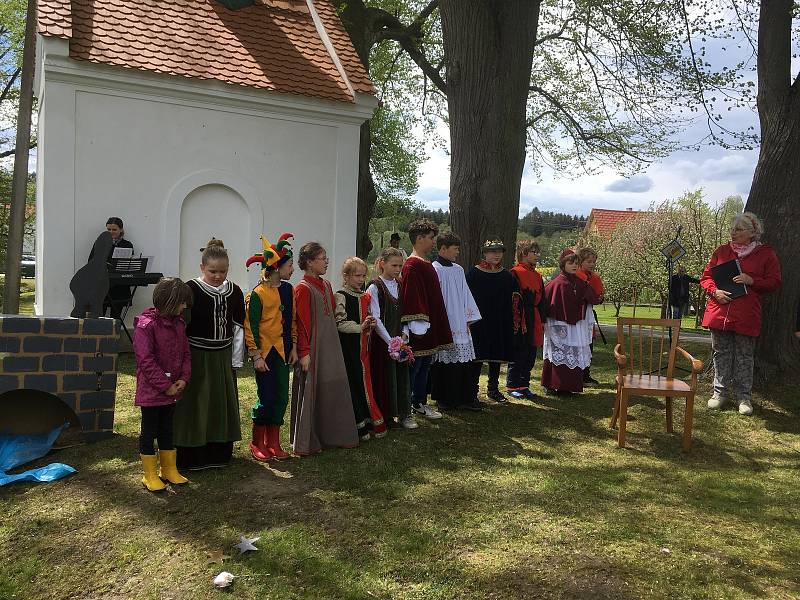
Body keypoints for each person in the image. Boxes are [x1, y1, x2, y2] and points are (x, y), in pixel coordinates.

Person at [174, 239, 246, 470]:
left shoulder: (234, 291)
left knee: (219, 404)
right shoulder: (191, 289)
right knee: (195, 404)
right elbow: (180, 327)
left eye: (223, 271)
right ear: (202, 267)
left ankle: (218, 453)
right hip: (196, 356)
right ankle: (191, 454)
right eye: (213, 271)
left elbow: (237, 327)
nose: (218, 276)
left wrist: (235, 360)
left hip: (222, 357)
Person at [701, 212, 781, 416]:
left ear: (752, 232)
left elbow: (774, 282)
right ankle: (719, 394)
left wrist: (751, 280)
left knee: (745, 356)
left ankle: (744, 398)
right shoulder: (721, 251)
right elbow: (706, 277)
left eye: (738, 230)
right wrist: (714, 291)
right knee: (721, 354)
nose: (733, 233)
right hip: (719, 312)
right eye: (732, 229)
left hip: (746, 314)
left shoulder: (766, 254)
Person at [291, 242, 359, 454]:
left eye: (326, 258)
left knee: (334, 390)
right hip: (314, 349)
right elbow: (301, 324)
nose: (327, 262)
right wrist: (304, 353)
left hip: (331, 347)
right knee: (314, 390)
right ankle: (310, 439)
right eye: (322, 258)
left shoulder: (327, 285)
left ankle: (335, 435)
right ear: (310, 263)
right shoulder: (302, 289)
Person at [133, 277, 192, 492]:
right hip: (153, 393)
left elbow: (186, 353)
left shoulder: (179, 324)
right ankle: (149, 474)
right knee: (149, 431)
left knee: (168, 429)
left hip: (172, 391)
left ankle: (168, 469)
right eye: (182, 302)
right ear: (170, 301)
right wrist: (164, 385)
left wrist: (183, 378)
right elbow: (145, 360)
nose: (185, 307)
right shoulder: (145, 326)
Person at [243, 234, 297, 462]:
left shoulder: (288, 290)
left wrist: (293, 346)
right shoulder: (257, 294)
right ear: (276, 268)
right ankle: (257, 442)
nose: (293, 269)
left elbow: (292, 319)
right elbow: (250, 326)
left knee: (281, 396)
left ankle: (274, 442)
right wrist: (256, 355)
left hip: (283, 352)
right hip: (265, 353)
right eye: (290, 265)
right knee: (266, 396)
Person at [400, 219, 454, 419]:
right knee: (415, 367)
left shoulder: (426, 264)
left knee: (424, 366)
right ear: (420, 238)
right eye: (431, 238)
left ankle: (419, 402)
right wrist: (419, 324)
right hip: (420, 327)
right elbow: (412, 297)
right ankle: (406, 407)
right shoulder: (413, 265)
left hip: (429, 324)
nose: (433, 242)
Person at [335, 257, 387, 441]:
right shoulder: (341, 295)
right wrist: (360, 327)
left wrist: (370, 323)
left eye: (363, 276)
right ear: (346, 276)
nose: (361, 279)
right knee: (354, 384)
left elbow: (367, 317)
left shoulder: (365, 296)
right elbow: (340, 323)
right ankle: (358, 426)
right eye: (357, 275)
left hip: (364, 348)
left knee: (365, 383)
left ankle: (368, 422)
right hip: (349, 350)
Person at [367, 247, 418, 429]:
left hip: (400, 340)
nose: (398, 269)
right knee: (384, 377)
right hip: (382, 342)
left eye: (400, 265)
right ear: (382, 264)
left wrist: (404, 335)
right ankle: (386, 415)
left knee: (401, 377)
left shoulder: (401, 285)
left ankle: (404, 413)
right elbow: (376, 318)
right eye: (394, 265)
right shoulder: (375, 287)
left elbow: (406, 313)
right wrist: (391, 342)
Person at [431, 233, 482, 411]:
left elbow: (466, 294)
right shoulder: (434, 269)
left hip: (460, 322)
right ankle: (445, 399)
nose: (457, 252)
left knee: (463, 360)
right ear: (443, 248)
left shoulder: (458, 269)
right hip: (444, 322)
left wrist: (469, 317)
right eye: (455, 249)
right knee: (445, 360)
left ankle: (465, 397)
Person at [466, 237, 519, 404]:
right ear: (485, 254)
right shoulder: (473, 273)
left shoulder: (507, 276)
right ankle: (472, 391)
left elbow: (515, 300)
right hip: (479, 322)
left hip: (500, 321)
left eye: (500, 252)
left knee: (496, 357)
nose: (497, 255)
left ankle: (493, 389)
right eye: (493, 251)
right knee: (477, 358)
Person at [541, 249, 599, 395]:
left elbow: (592, 298)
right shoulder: (556, 283)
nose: (574, 265)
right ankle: (555, 385)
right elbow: (547, 303)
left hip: (577, 326)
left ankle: (571, 386)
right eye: (570, 263)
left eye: (576, 263)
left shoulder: (580, 283)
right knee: (559, 352)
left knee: (574, 353)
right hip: (560, 326)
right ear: (563, 264)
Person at [507, 240, 546, 400]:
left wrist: (542, 319)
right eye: (534, 252)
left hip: (534, 316)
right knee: (519, 352)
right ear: (524, 253)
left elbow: (542, 299)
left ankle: (524, 385)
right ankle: (512, 385)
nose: (537, 255)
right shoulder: (515, 273)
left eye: (538, 252)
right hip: (521, 317)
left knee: (530, 353)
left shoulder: (537, 276)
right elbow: (512, 298)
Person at [89, 217, 135, 319]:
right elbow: (91, 262)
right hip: (102, 285)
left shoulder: (127, 245)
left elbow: (129, 265)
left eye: (114, 229)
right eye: (109, 229)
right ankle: (100, 335)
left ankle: (115, 335)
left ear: (121, 230)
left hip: (120, 287)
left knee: (116, 318)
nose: (111, 232)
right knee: (99, 318)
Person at [578, 247, 604, 385]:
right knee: (579, 343)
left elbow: (599, 295)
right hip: (578, 314)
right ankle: (578, 374)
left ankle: (586, 374)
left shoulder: (594, 277)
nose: (591, 264)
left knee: (589, 344)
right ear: (581, 261)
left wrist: (598, 298)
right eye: (588, 261)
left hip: (588, 313)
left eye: (593, 261)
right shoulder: (577, 275)